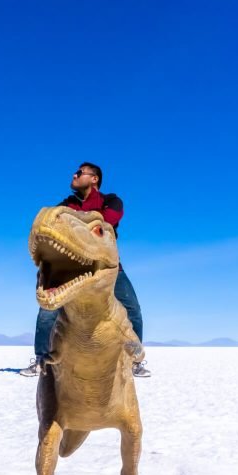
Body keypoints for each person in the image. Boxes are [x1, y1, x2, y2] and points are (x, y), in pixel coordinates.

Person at [20, 162, 151, 378]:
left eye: (79, 173)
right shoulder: (66, 205)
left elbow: (106, 222)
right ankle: (42, 359)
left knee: (132, 309)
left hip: (106, 267)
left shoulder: (111, 201)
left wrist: (77, 221)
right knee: (48, 310)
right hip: (70, 267)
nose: (74, 175)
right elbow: (56, 224)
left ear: (94, 178)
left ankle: (134, 361)